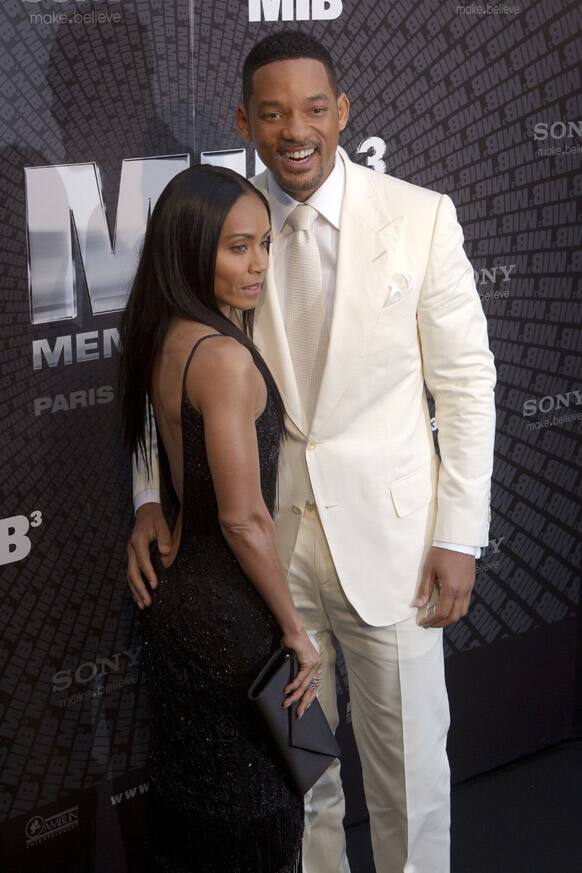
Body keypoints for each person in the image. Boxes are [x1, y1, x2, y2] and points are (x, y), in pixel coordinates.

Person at [129, 33, 496, 873]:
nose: (296, 130)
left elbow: (467, 384)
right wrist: (152, 492)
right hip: (265, 558)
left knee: (409, 776)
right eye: (273, 112)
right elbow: (175, 346)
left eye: (314, 109)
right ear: (245, 122)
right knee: (302, 774)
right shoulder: (233, 224)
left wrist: (460, 532)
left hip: (395, 550)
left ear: (343, 113)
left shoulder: (419, 216)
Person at [119, 163, 322, 873]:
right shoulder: (226, 360)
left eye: (264, 243)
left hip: (179, 608)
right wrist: (296, 631)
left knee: (203, 819)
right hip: (232, 620)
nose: (258, 263)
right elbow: (244, 520)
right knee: (256, 820)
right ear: (189, 245)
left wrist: (151, 504)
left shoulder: (165, 335)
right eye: (238, 247)